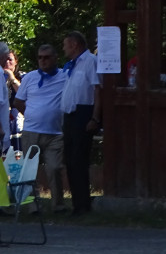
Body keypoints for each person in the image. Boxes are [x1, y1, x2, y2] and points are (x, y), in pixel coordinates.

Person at [12, 45, 68, 212]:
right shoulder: (30, 77)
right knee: (30, 170)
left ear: (55, 58)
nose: (43, 60)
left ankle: (58, 204)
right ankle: (33, 205)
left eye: (47, 57)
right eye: (40, 57)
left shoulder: (65, 76)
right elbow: (18, 101)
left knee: (55, 168)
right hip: (31, 131)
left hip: (55, 132)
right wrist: (31, 115)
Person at [60, 31, 101, 215]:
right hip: (69, 116)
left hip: (83, 114)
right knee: (69, 160)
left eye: (65, 44)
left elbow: (97, 90)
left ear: (75, 44)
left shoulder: (90, 61)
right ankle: (77, 203)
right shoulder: (72, 65)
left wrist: (95, 117)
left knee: (79, 160)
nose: (63, 48)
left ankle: (84, 204)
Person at [4, 50, 25, 151]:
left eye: (10, 59)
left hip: (18, 120)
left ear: (16, 61)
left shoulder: (23, 77)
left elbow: (24, 93)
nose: (7, 62)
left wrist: (12, 78)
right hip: (3, 121)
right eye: (4, 60)